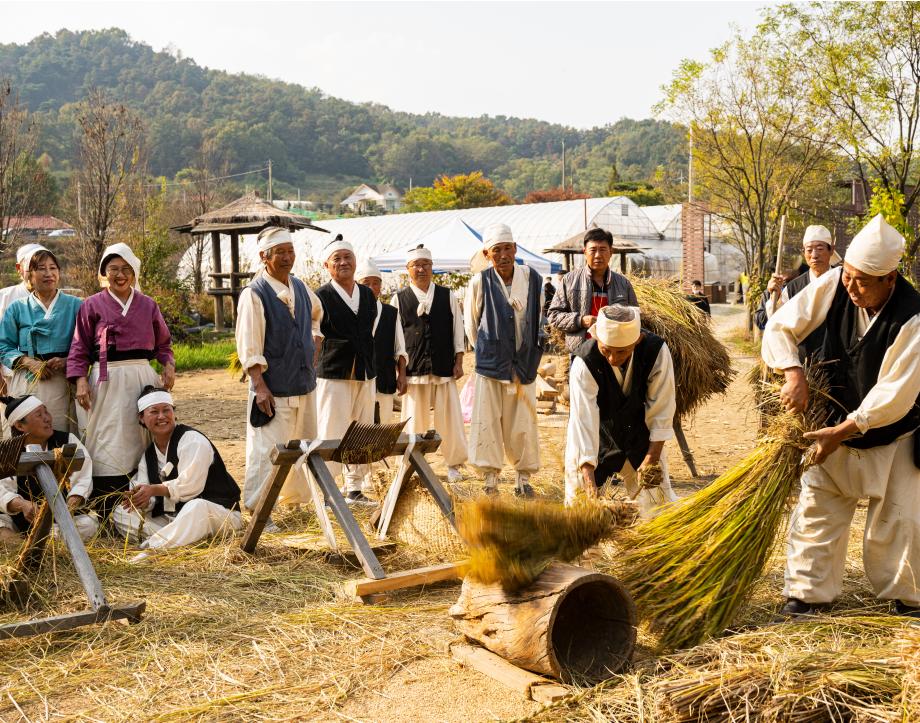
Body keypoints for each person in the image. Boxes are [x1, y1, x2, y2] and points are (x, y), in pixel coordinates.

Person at [762, 214, 920, 618]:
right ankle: (808, 595)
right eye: (848, 274)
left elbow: (894, 395)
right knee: (817, 510)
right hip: (830, 423)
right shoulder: (834, 285)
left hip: (895, 434)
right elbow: (780, 326)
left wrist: (846, 429)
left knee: (900, 521)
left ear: (890, 278)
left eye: (862, 280)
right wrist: (793, 371)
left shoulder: (913, 317)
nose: (851, 286)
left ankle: (908, 598)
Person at [66, 243, 175, 519]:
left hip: (141, 377)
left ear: (134, 273)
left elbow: (164, 344)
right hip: (105, 380)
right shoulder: (91, 305)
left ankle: (142, 499)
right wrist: (80, 380)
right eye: (113, 269)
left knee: (142, 434)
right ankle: (104, 506)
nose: (120, 275)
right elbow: (79, 348)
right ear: (104, 273)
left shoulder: (148, 305)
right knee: (105, 436)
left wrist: (169, 365)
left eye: (126, 269)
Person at [235, 227, 322, 526]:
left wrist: (314, 338)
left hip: (303, 383)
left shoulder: (299, 286)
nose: (287, 258)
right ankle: (258, 510)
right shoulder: (254, 293)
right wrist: (259, 385)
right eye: (280, 253)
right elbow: (249, 345)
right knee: (267, 451)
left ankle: (294, 502)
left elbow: (316, 313)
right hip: (273, 388)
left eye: (290, 251)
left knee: (301, 445)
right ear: (264, 257)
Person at [564, 305, 677, 518]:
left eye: (622, 351)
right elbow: (583, 420)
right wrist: (589, 483)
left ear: (637, 341)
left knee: (656, 508)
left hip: (639, 433)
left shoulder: (655, 352)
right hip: (596, 436)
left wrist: (651, 458)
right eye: (606, 350)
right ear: (597, 339)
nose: (613, 359)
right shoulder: (584, 362)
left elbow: (662, 408)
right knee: (581, 510)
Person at [113, 387, 241, 558]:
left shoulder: (192, 440)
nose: (161, 416)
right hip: (177, 518)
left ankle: (152, 548)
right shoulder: (148, 455)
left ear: (173, 413)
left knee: (197, 507)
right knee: (122, 513)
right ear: (142, 418)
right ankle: (178, 539)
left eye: (166, 410)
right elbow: (148, 494)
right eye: (154, 412)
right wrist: (141, 499)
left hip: (219, 515)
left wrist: (153, 489)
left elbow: (190, 487)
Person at [464, 223, 543, 496]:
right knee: (487, 421)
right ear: (487, 254)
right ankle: (490, 478)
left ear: (516, 249)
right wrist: (491, 351)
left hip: (524, 364)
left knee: (523, 422)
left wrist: (525, 353)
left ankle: (523, 478)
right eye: (496, 250)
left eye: (507, 248)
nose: (503, 255)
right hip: (490, 365)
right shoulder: (479, 282)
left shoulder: (533, 278)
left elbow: (538, 318)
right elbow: (471, 326)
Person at [392, 245, 468, 483]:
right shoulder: (399, 299)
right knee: (414, 419)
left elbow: (458, 331)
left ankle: (454, 464)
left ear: (432, 268)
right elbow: (396, 338)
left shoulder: (447, 296)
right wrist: (400, 372)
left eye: (426, 264)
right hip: (414, 368)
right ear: (408, 270)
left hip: (443, 364)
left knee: (451, 418)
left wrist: (459, 359)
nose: (421, 269)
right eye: (416, 265)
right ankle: (411, 464)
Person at [314, 236, 378, 506]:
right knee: (331, 429)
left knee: (361, 429)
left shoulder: (365, 293)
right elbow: (315, 334)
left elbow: (370, 328)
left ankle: (355, 488)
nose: (343, 263)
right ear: (327, 265)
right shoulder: (320, 296)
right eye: (337, 259)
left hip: (364, 371)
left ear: (355, 262)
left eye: (347, 258)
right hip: (333, 372)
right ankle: (329, 491)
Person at [0, 248, 81, 435]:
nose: (48, 273)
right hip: (27, 378)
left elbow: (87, 345)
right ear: (30, 276)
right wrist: (30, 363)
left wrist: (67, 361)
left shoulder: (76, 306)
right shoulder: (17, 308)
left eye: (53, 268)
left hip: (64, 379)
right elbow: (4, 346)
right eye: (41, 268)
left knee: (61, 435)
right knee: (26, 437)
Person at [0, 395, 97, 547]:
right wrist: (23, 505)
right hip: (24, 522)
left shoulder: (66, 441)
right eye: (39, 415)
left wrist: (70, 505)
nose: (47, 418)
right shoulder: (9, 452)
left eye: (46, 412)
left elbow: (82, 478)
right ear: (20, 426)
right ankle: (27, 546)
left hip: (61, 521)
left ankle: (27, 545)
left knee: (89, 524)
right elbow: (2, 491)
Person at [546, 228, 638, 354]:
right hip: (581, 353)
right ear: (584, 252)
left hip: (614, 354)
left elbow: (635, 316)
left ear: (611, 252)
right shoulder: (569, 280)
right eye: (593, 250)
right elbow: (553, 316)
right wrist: (581, 320)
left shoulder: (623, 283)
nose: (598, 255)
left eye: (603, 250)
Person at [756, 224, 838, 360]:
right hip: (803, 360)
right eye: (809, 250)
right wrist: (773, 299)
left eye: (819, 249)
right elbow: (778, 324)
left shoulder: (842, 280)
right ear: (803, 252)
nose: (814, 255)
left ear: (831, 250)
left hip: (837, 359)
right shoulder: (793, 287)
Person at [356, 258, 407, 425]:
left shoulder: (391, 313)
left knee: (383, 424)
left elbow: (400, 348)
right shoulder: (352, 311)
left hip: (384, 378)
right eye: (366, 283)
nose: (371, 287)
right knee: (361, 427)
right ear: (357, 285)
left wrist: (402, 376)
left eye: (376, 283)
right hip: (359, 380)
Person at [0, 244, 49, 405]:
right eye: (32, 266)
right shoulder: (4, 297)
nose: (38, 271)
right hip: (11, 377)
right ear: (19, 268)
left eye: (42, 266)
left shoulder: (60, 300)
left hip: (52, 376)